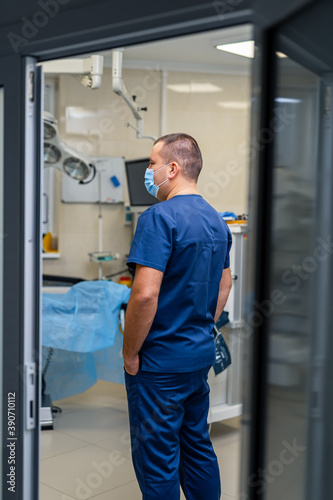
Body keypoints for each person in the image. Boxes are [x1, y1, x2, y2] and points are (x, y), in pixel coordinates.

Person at [123, 133, 232, 500]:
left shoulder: (158, 217)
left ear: (172, 168)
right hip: (197, 356)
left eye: (152, 164)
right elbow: (225, 284)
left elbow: (145, 293)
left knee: (158, 457)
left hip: (160, 363)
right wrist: (202, 327)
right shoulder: (216, 220)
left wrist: (130, 351)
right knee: (197, 444)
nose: (149, 171)